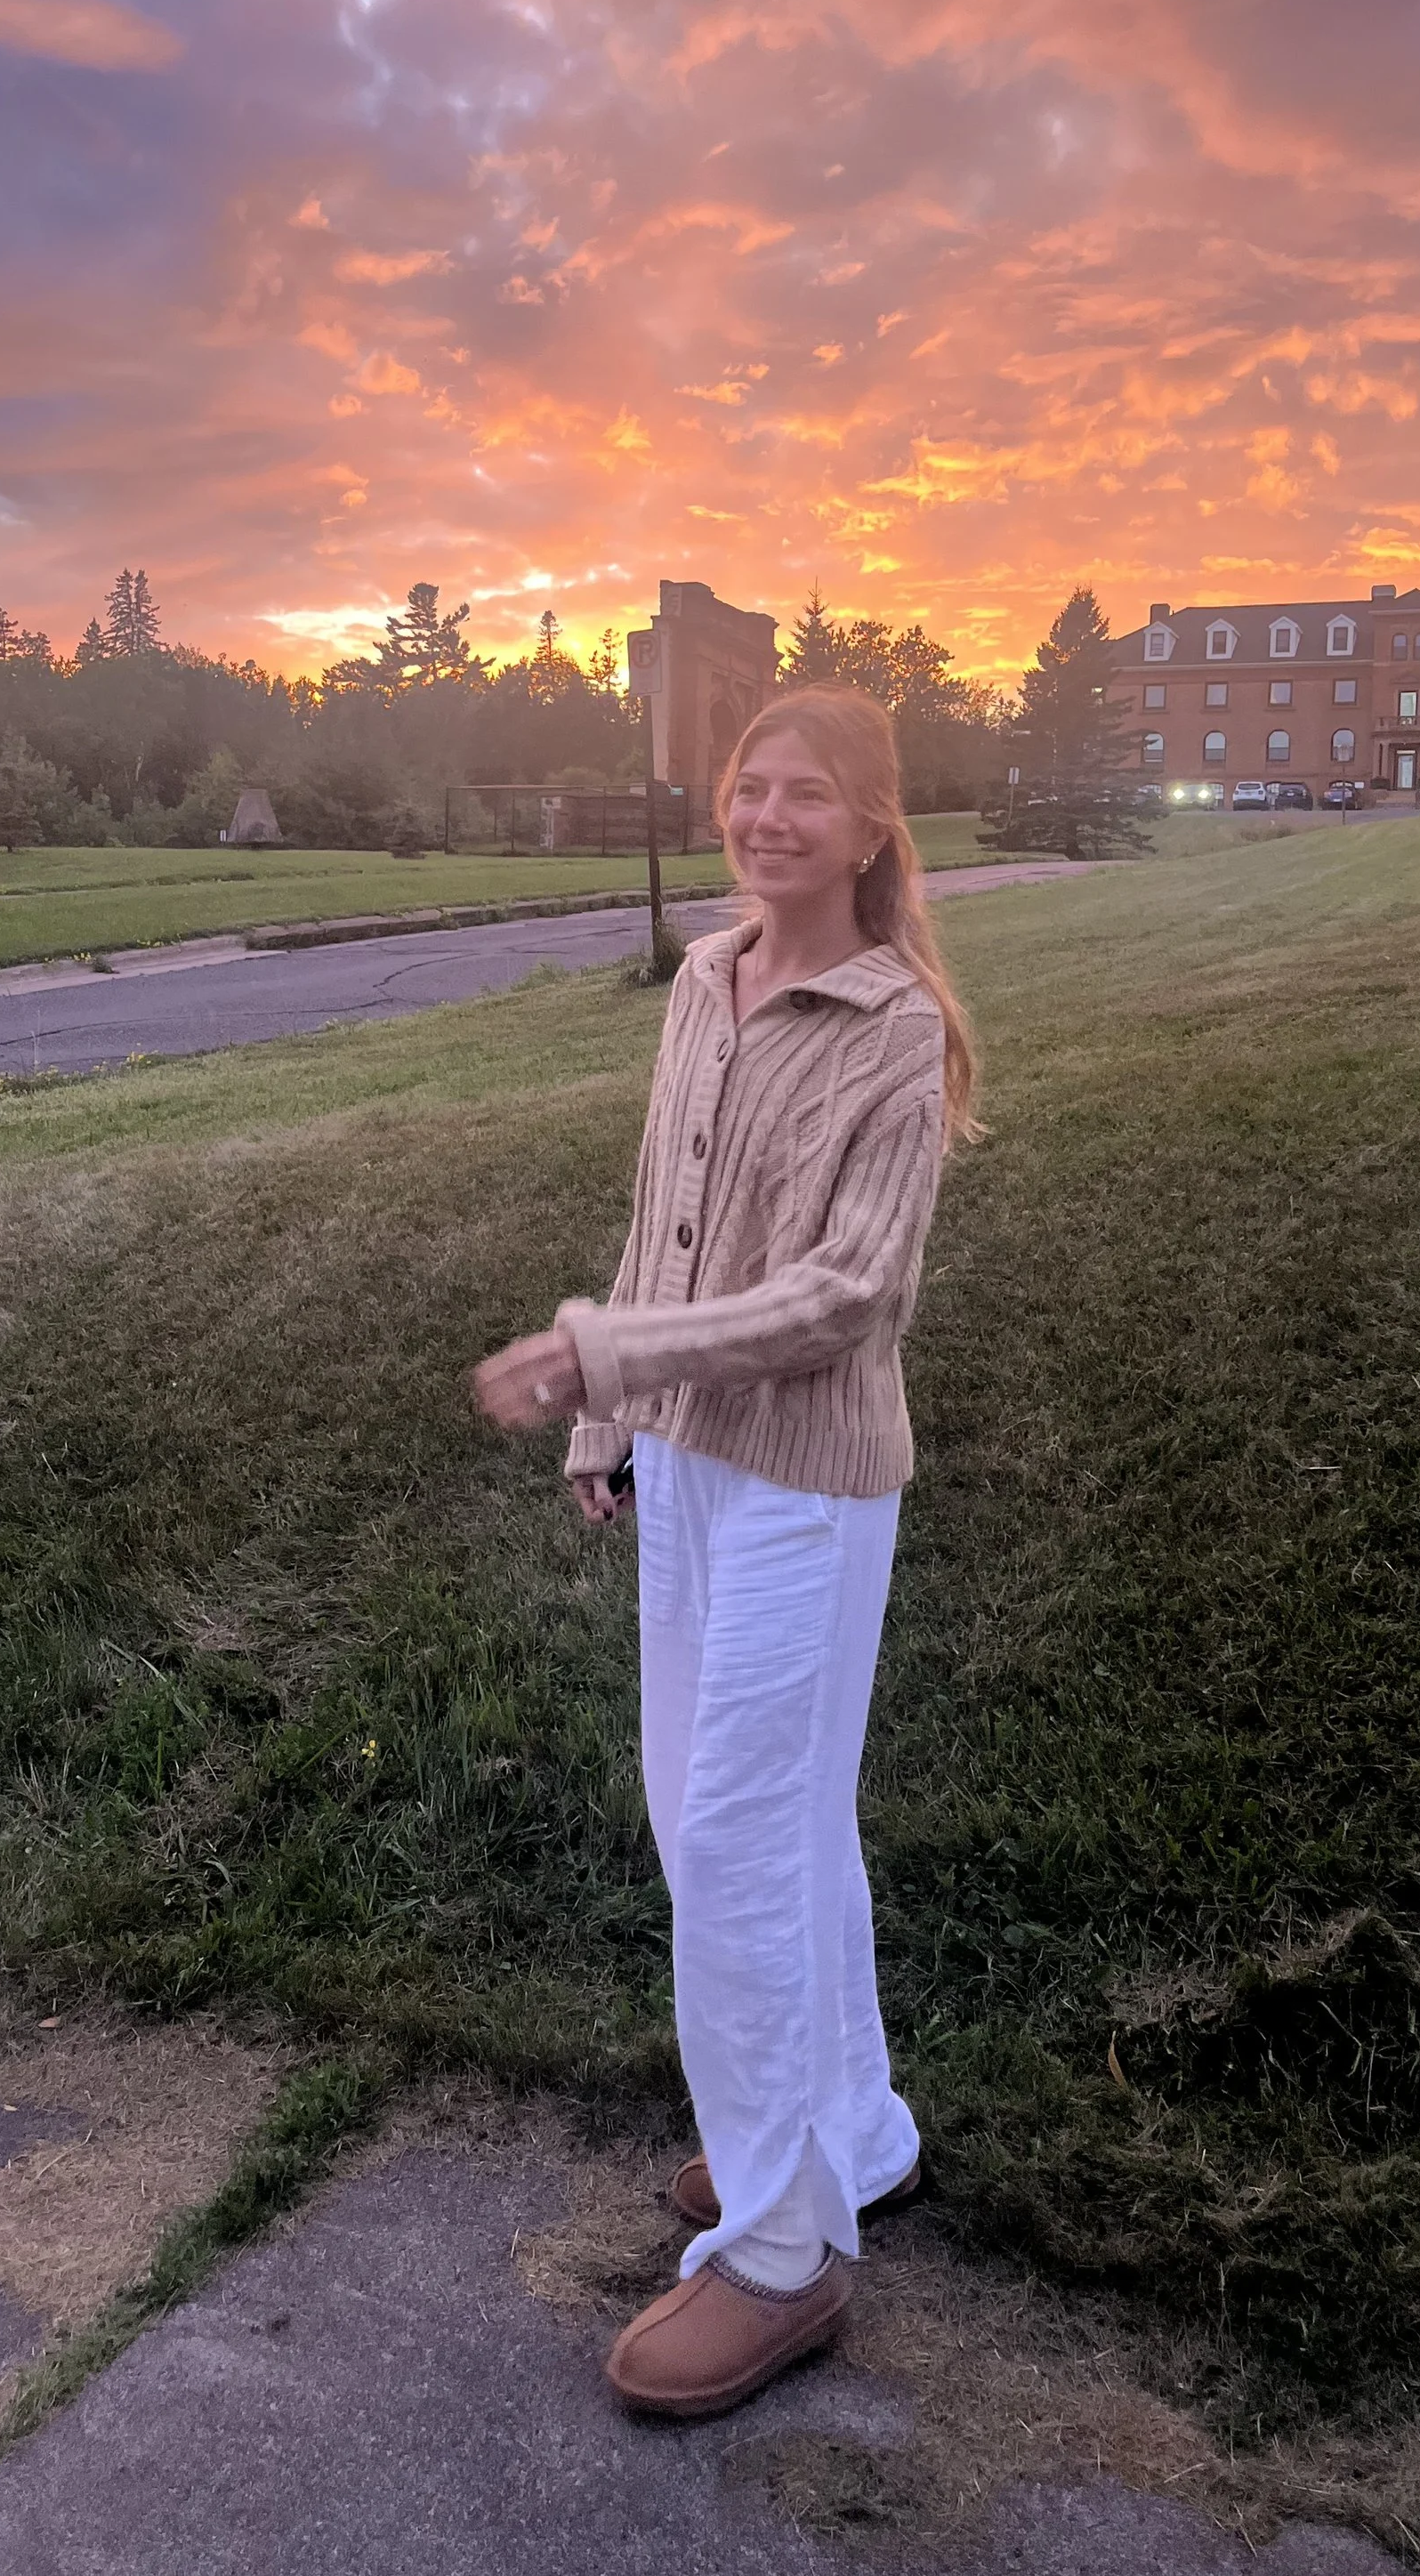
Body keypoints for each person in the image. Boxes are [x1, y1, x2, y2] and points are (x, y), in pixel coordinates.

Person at [472, 684, 980, 2419]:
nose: (767, 815)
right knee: (719, 1816)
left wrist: (604, 1355)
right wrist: (608, 1415)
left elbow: (849, 1297)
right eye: (747, 786)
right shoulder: (705, 978)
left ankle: (779, 2253)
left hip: (807, 1487)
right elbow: (658, 1218)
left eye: (805, 795)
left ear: (866, 827)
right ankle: (848, 2133)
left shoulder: (891, 1023)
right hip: (683, 1458)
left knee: (746, 1842)